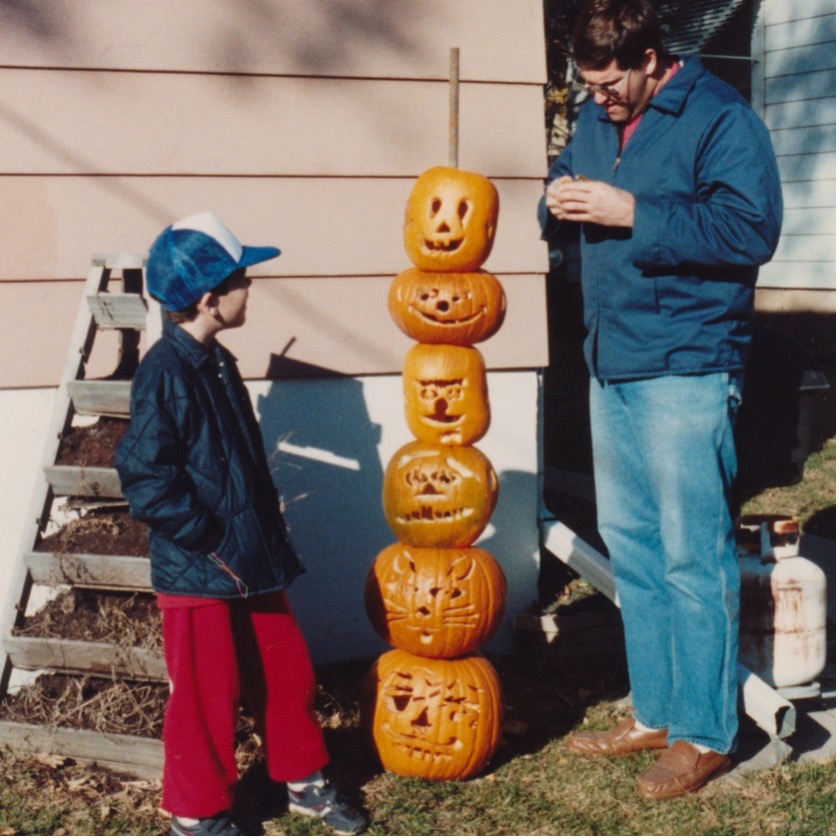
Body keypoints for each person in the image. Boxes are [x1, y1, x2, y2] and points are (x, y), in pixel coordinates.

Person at [539, 0, 782, 801]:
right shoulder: (595, 115)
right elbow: (565, 178)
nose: (598, 99)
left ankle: (707, 733)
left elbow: (751, 229)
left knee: (691, 555)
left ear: (652, 61)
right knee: (634, 546)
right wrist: (561, 196)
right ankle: (656, 710)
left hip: (687, 361)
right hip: (612, 358)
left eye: (611, 85)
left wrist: (634, 212)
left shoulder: (720, 117)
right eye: (588, 84)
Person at [115, 212, 367, 836]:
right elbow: (146, 479)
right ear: (210, 298)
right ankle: (196, 812)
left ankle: (305, 782)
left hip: (250, 559)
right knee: (205, 695)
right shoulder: (164, 374)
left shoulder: (217, 361)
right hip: (200, 567)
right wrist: (210, 537)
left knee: (286, 673)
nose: (251, 290)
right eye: (243, 280)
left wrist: (254, 531)